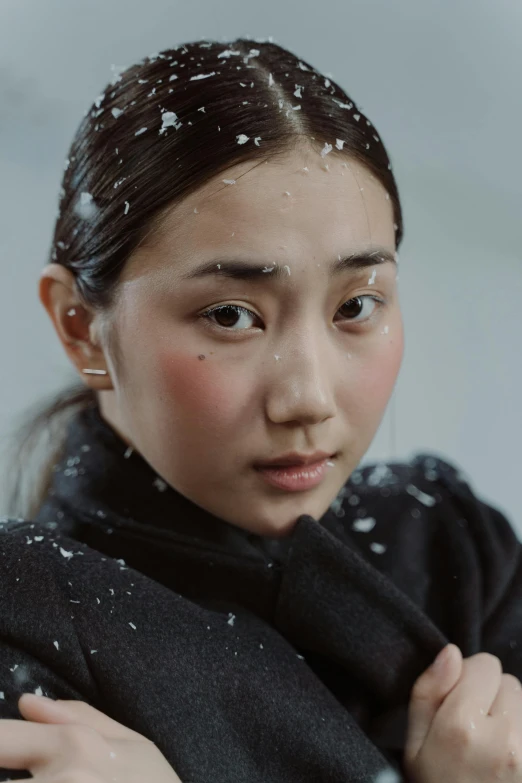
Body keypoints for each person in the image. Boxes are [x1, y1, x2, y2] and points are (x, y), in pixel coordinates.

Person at [0, 36, 521, 783]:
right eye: (232, 316)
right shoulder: (26, 629)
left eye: (356, 305)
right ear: (81, 325)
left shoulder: (455, 549)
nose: (307, 396)